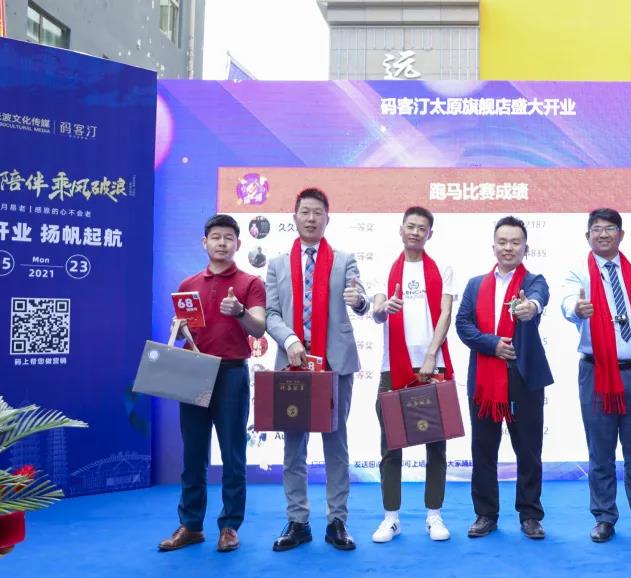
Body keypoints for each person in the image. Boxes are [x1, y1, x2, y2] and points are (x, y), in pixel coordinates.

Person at [264, 187, 370, 551]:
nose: (311, 218)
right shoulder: (277, 264)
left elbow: (360, 298)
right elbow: (271, 314)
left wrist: (360, 300)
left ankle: (337, 521)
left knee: (335, 444)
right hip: (293, 364)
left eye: (317, 213)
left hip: (335, 364)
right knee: (294, 446)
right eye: (305, 212)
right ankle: (297, 521)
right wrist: (290, 339)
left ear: (328, 218)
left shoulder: (344, 260)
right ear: (294, 217)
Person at [158, 214, 266, 553]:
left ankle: (230, 526)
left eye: (228, 238)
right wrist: (177, 327)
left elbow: (259, 328)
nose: (222, 242)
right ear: (204, 243)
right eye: (216, 237)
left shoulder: (251, 283)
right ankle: (191, 526)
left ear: (238, 244)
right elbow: (185, 332)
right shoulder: (188, 283)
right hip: (193, 370)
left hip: (232, 372)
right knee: (193, 453)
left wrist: (239, 312)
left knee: (233, 454)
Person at [561, 208, 631, 543]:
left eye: (609, 228)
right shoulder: (578, 272)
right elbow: (567, 302)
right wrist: (576, 309)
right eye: (596, 229)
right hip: (596, 373)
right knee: (601, 452)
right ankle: (604, 517)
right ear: (587, 236)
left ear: (621, 234)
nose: (603, 234)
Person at [456, 216, 553, 540]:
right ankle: (486, 514)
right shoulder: (475, 285)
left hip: (523, 379)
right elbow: (463, 325)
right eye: (503, 241)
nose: (508, 247)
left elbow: (538, 299)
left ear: (526, 247)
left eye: (515, 242)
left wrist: (530, 307)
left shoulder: (534, 281)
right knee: (483, 449)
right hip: (484, 381)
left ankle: (530, 515)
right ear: (493, 246)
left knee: (529, 450)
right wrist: (493, 344)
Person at [370, 206, 456, 543]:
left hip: (433, 365)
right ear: (401, 229)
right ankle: (391, 518)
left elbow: (445, 314)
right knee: (391, 445)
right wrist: (383, 309)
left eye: (422, 228)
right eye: (410, 226)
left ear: (430, 233)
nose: (415, 232)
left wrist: (432, 354)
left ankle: (434, 515)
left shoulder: (442, 267)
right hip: (392, 367)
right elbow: (377, 313)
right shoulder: (386, 267)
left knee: (436, 445)